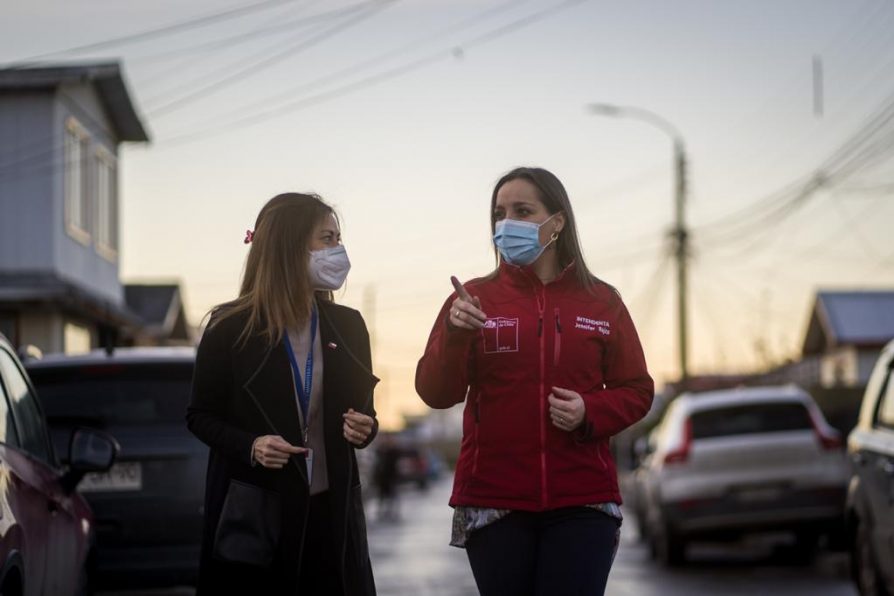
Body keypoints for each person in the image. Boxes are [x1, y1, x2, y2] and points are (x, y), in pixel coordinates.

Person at [415, 167, 654, 596]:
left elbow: (637, 390)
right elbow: (436, 393)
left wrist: (589, 411)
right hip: (494, 501)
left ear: (556, 222)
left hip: (583, 500)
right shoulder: (471, 299)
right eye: (499, 213)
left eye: (523, 211)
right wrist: (455, 335)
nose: (507, 223)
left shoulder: (603, 300)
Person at [187, 192, 379, 595]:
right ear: (290, 245)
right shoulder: (230, 328)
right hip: (260, 513)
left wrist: (366, 427)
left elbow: (367, 415)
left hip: (332, 511)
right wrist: (252, 445)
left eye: (338, 238)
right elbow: (200, 415)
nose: (338, 250)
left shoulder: (348, 325)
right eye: (326, 238)